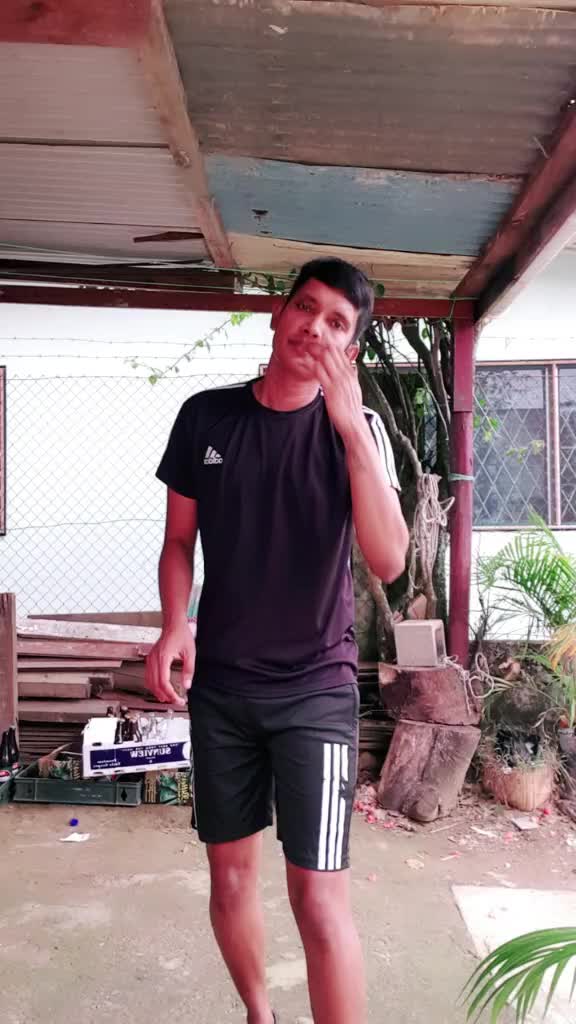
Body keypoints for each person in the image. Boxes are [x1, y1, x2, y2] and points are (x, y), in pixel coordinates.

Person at [147, 257, 409, 1024]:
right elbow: (178, 541)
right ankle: (259, 1014)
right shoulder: (206, 418)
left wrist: (350, 425)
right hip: (222, 692)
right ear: (278, 314)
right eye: (306, 308)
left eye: (337, 323)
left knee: (317, 897)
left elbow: (389, 559)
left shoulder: (358, 433)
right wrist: (175, 622)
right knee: (230, 880)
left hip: (315, 693)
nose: (314, 328)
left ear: (350, 350)